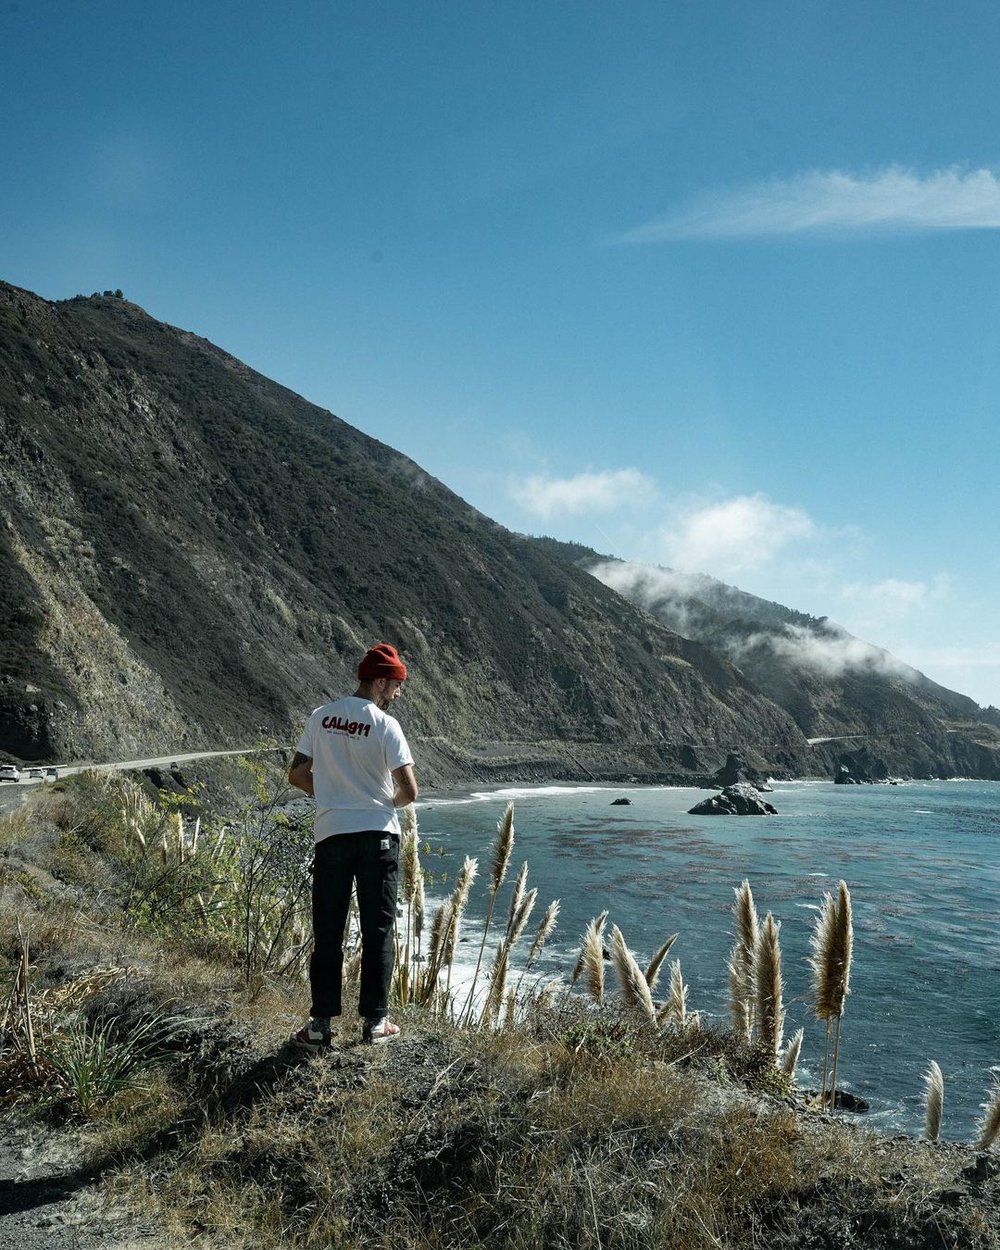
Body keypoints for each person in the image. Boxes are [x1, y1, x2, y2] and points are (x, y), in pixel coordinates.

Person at [288, 642, 418, 1048]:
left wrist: (332, 795)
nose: (398, 693)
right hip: (378, 836)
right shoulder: (386, 725)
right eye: (396, 685)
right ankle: (376, 1023)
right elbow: (409, 790)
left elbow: (296, 774)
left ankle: (319, 1026)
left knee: (328, 929)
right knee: (378, 930)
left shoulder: (320, 716)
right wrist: (380, 804)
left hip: (332, 834)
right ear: (379, 681)